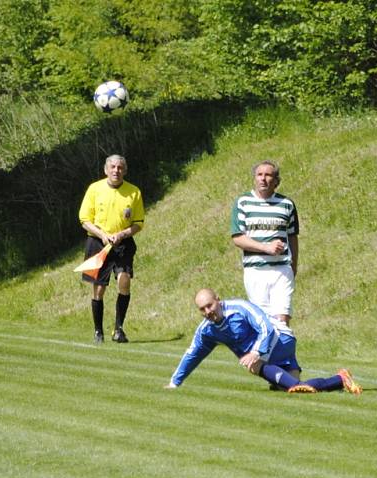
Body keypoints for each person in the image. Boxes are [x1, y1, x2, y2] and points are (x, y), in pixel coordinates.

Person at [165, 288, 362, 395]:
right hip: (270, 354)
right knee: (297, 388)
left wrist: (256, 353)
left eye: (210, 305)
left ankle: (335, 379)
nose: (208, 311)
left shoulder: (239, 308)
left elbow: (266, 327)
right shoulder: (206, 331)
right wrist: (175, 383)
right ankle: (340, 379)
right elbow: (192, 354)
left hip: (281, 338)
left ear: (218, 300)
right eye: (202, 309)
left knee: (252, 363)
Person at [78, 154, 145, 344]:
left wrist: (122, 234)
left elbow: (138, 223)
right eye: (113, 167)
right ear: (106, 169)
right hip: (98, 243)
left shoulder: (134, 192)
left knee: (124, 281)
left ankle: (119, 329)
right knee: (98, 289)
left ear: (125, 170)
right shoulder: (94, 189)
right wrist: (102, 235)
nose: (116, 171)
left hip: (122, 244)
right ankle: (98, 331)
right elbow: (84, 220)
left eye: (120, 168)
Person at [231, 160, 299, 326]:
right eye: (259, 175)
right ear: (254, 178)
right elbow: (238, 238)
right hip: (255, 271)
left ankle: (284, 352)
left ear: (276, 181)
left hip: (281, 270)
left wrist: (293, 265)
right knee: (263, 324)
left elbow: (292, 237)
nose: (263, 179)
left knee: (282, 322)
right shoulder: (243, 202)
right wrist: (266, 248)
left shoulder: (287, 205)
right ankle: (264, 352)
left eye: (268, 175)